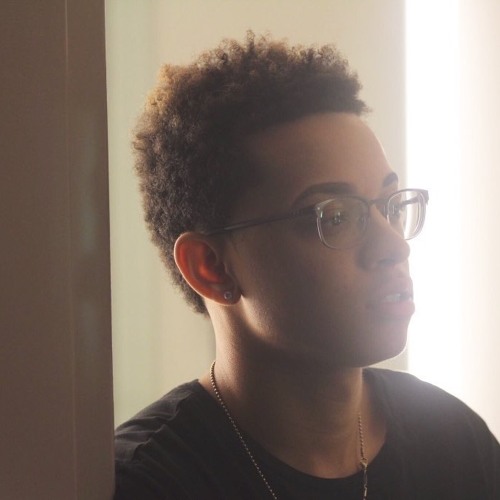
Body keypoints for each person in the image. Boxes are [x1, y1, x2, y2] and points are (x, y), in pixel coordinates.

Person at [114, 33, 500, 499]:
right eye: (336, 217)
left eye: (389, 206)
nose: (394, 245)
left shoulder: (452, 441)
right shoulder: (144, 482)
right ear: (211, 267)